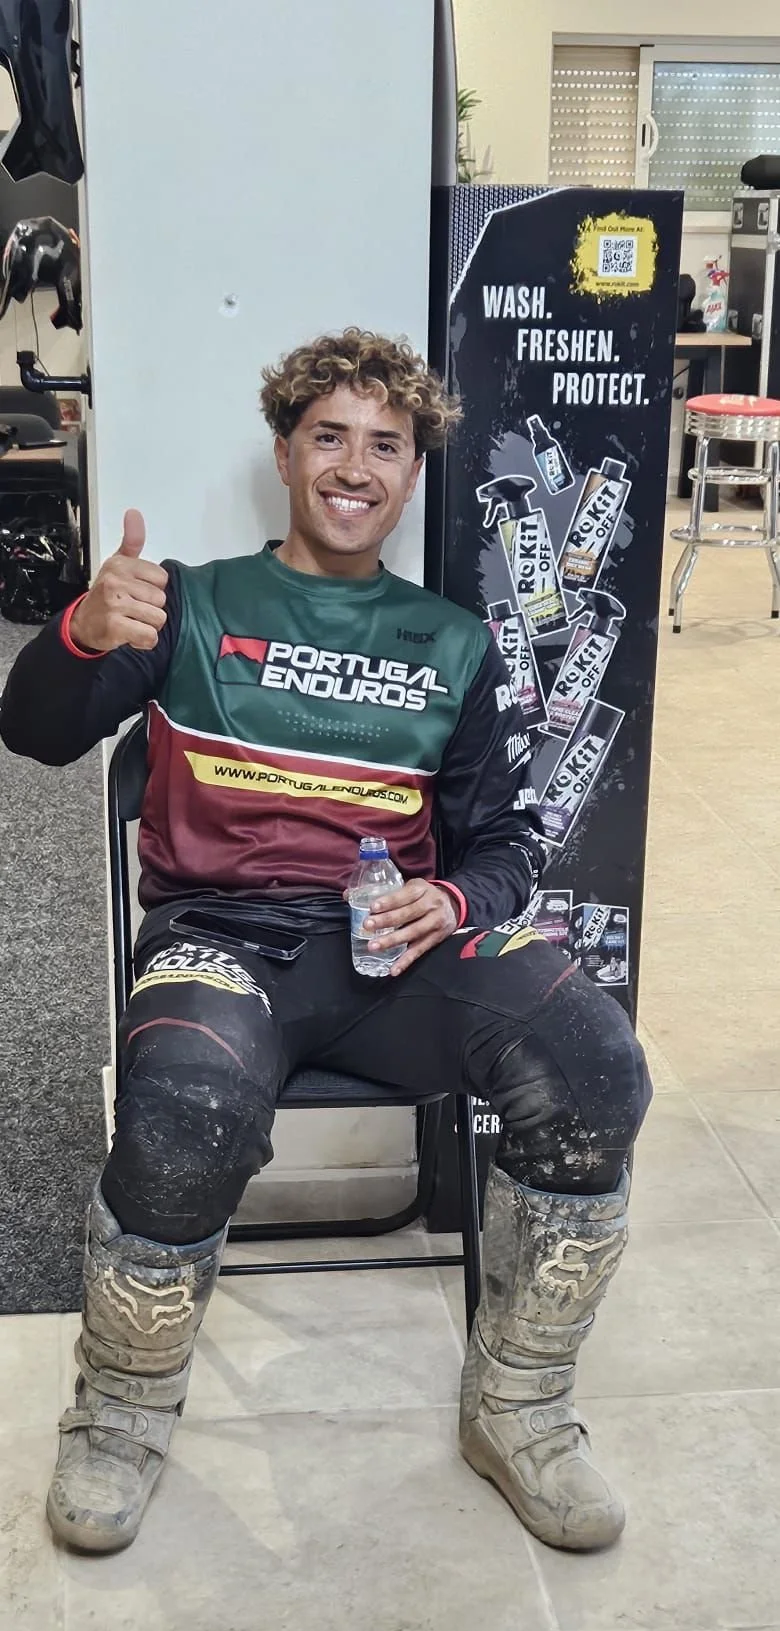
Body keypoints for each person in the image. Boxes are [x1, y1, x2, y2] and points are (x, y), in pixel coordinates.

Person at [0, 327, 651, 1558]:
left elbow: (507, 842)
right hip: (222, 942)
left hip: (388, 953)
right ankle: (121, 1413)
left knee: (596, 1062)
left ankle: (520, 1409)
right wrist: (82, 631)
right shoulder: (186, 602)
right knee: (184, 1106)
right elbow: (33, 731)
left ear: (412, 471)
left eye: (386, 444)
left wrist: (454, 901)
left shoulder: (455, 643)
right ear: (287, 452)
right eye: (330, 436)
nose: (356, 465)